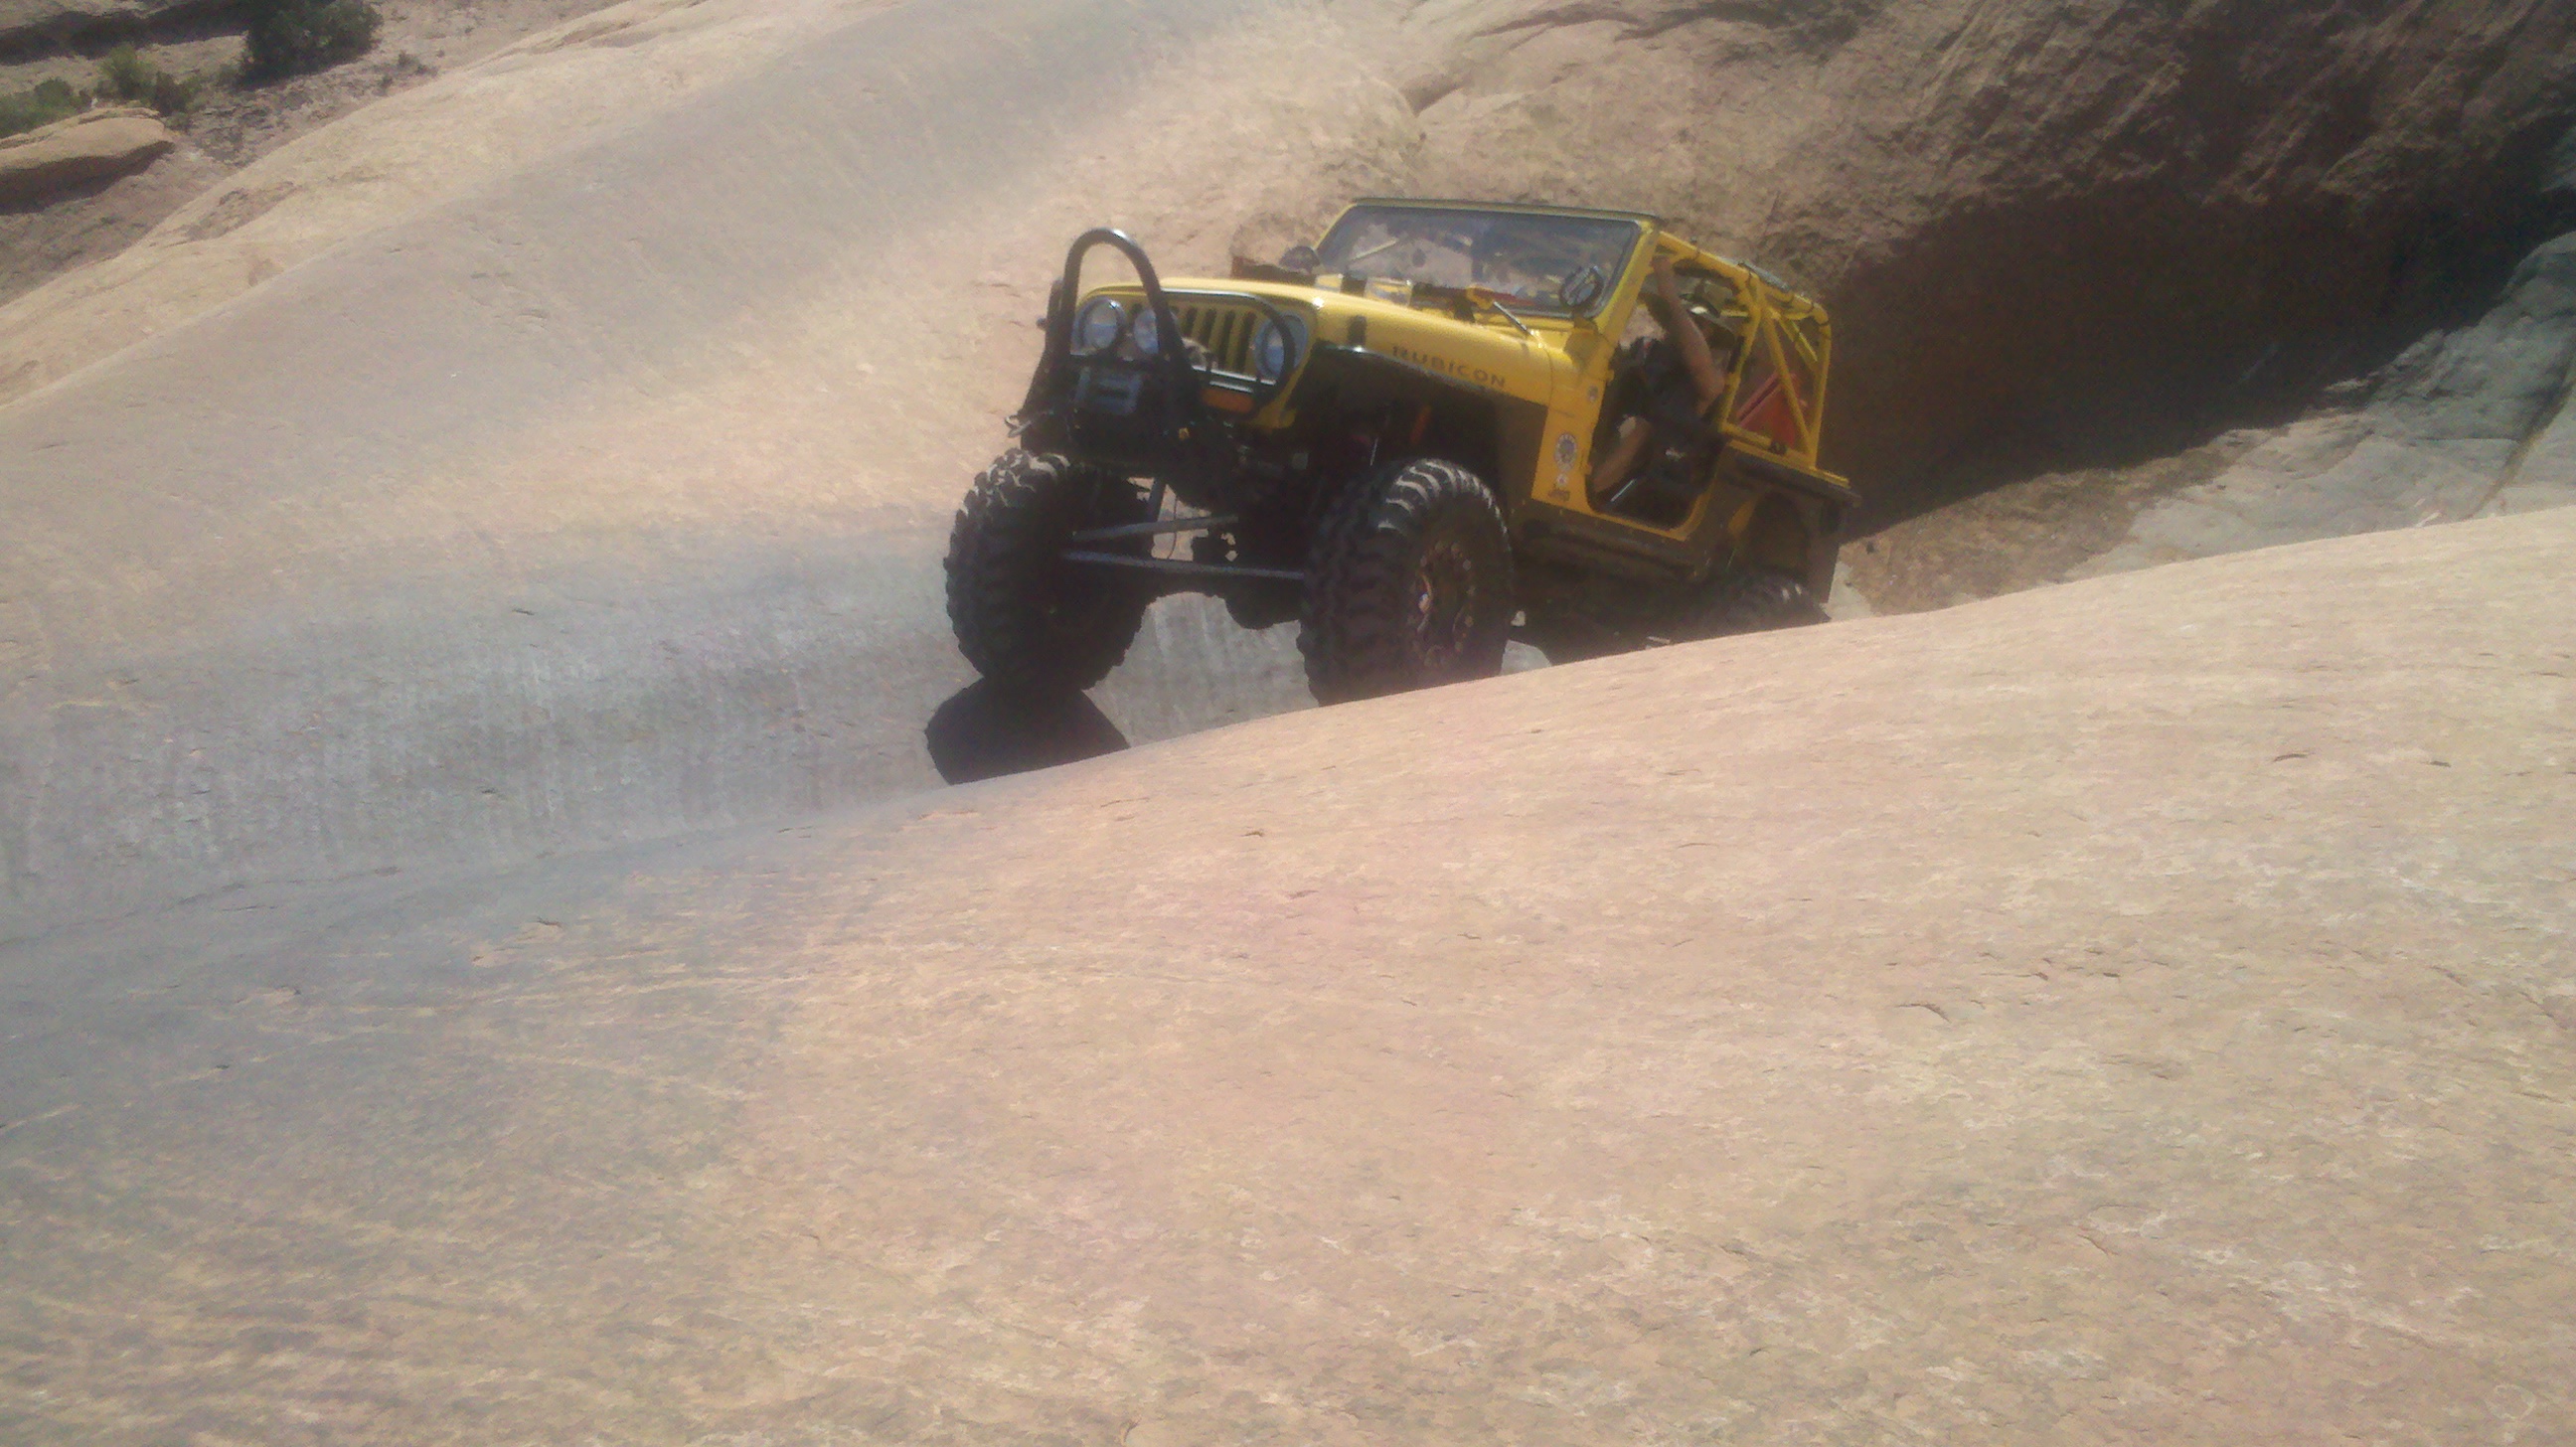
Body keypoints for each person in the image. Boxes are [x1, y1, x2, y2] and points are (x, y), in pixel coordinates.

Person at [1587, 253, 1734, 514]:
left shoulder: (1709, 377)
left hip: (1662, 457)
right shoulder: (1646, 349)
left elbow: (1703, 374)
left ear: (1709, 334)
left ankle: (1584, 495)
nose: (1687, 327)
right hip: (1610, 424)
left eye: (1699, 324)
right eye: (1686, 319)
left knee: (1638, 429)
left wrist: (1673, 301)